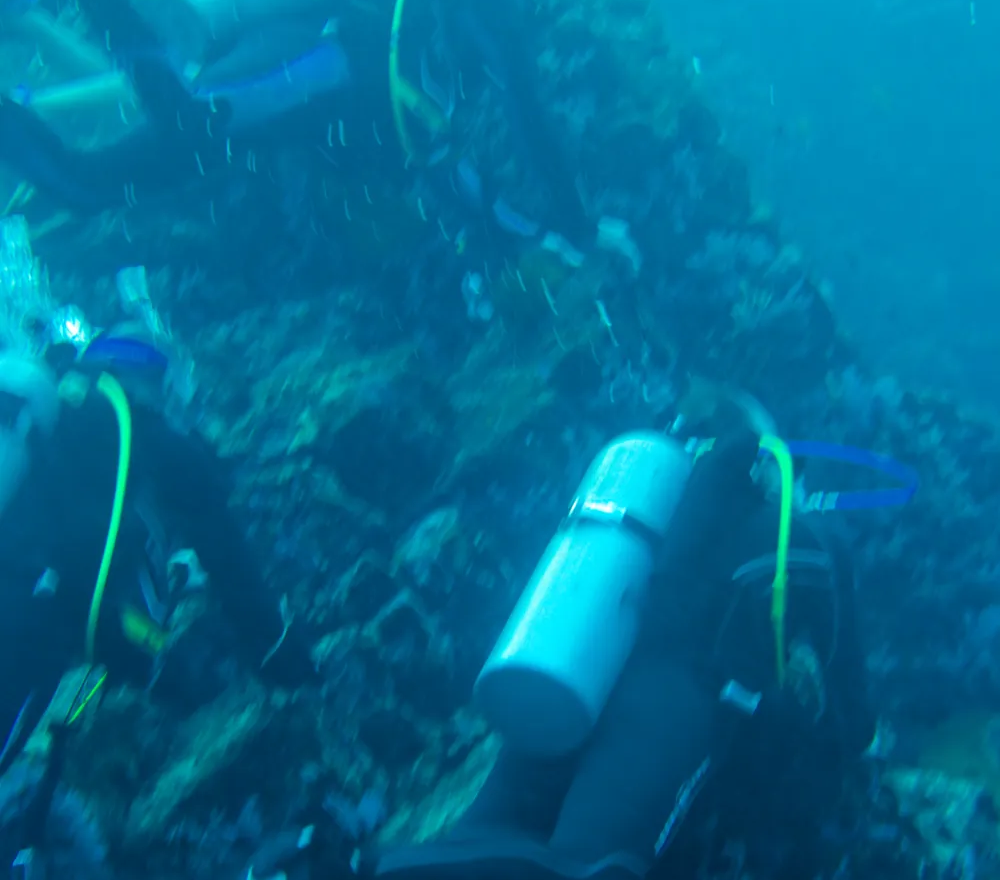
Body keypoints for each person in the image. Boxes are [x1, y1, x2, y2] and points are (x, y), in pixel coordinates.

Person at [363, 418, 878, 880]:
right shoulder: (805, 537)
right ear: (785, 480)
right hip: (669, 706)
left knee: (483, 835)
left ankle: (373, 867)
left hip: (571, 669)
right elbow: (854, 722)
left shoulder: (657, 516)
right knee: (591, 861)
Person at [0, 339, 317, 781]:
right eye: (166, 384)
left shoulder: (52, 435)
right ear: (143, 378)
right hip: (30, 621)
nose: (169, 398)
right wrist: (278, 645)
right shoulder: (154, 442)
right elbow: (228, 557)